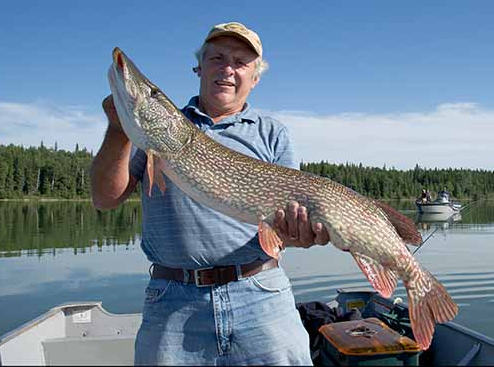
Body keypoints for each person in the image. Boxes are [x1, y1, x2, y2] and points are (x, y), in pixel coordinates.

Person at [91, 22, 330, 365]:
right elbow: (105, 199)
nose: (228, 69)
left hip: (261, 295)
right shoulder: (158, 133)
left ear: (255, 78)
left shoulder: (273, 134)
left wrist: (298, 234)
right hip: (172, 301)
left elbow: (285, 226)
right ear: (199, 68)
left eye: (240, 62)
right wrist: (118, 129)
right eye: (217, 58)